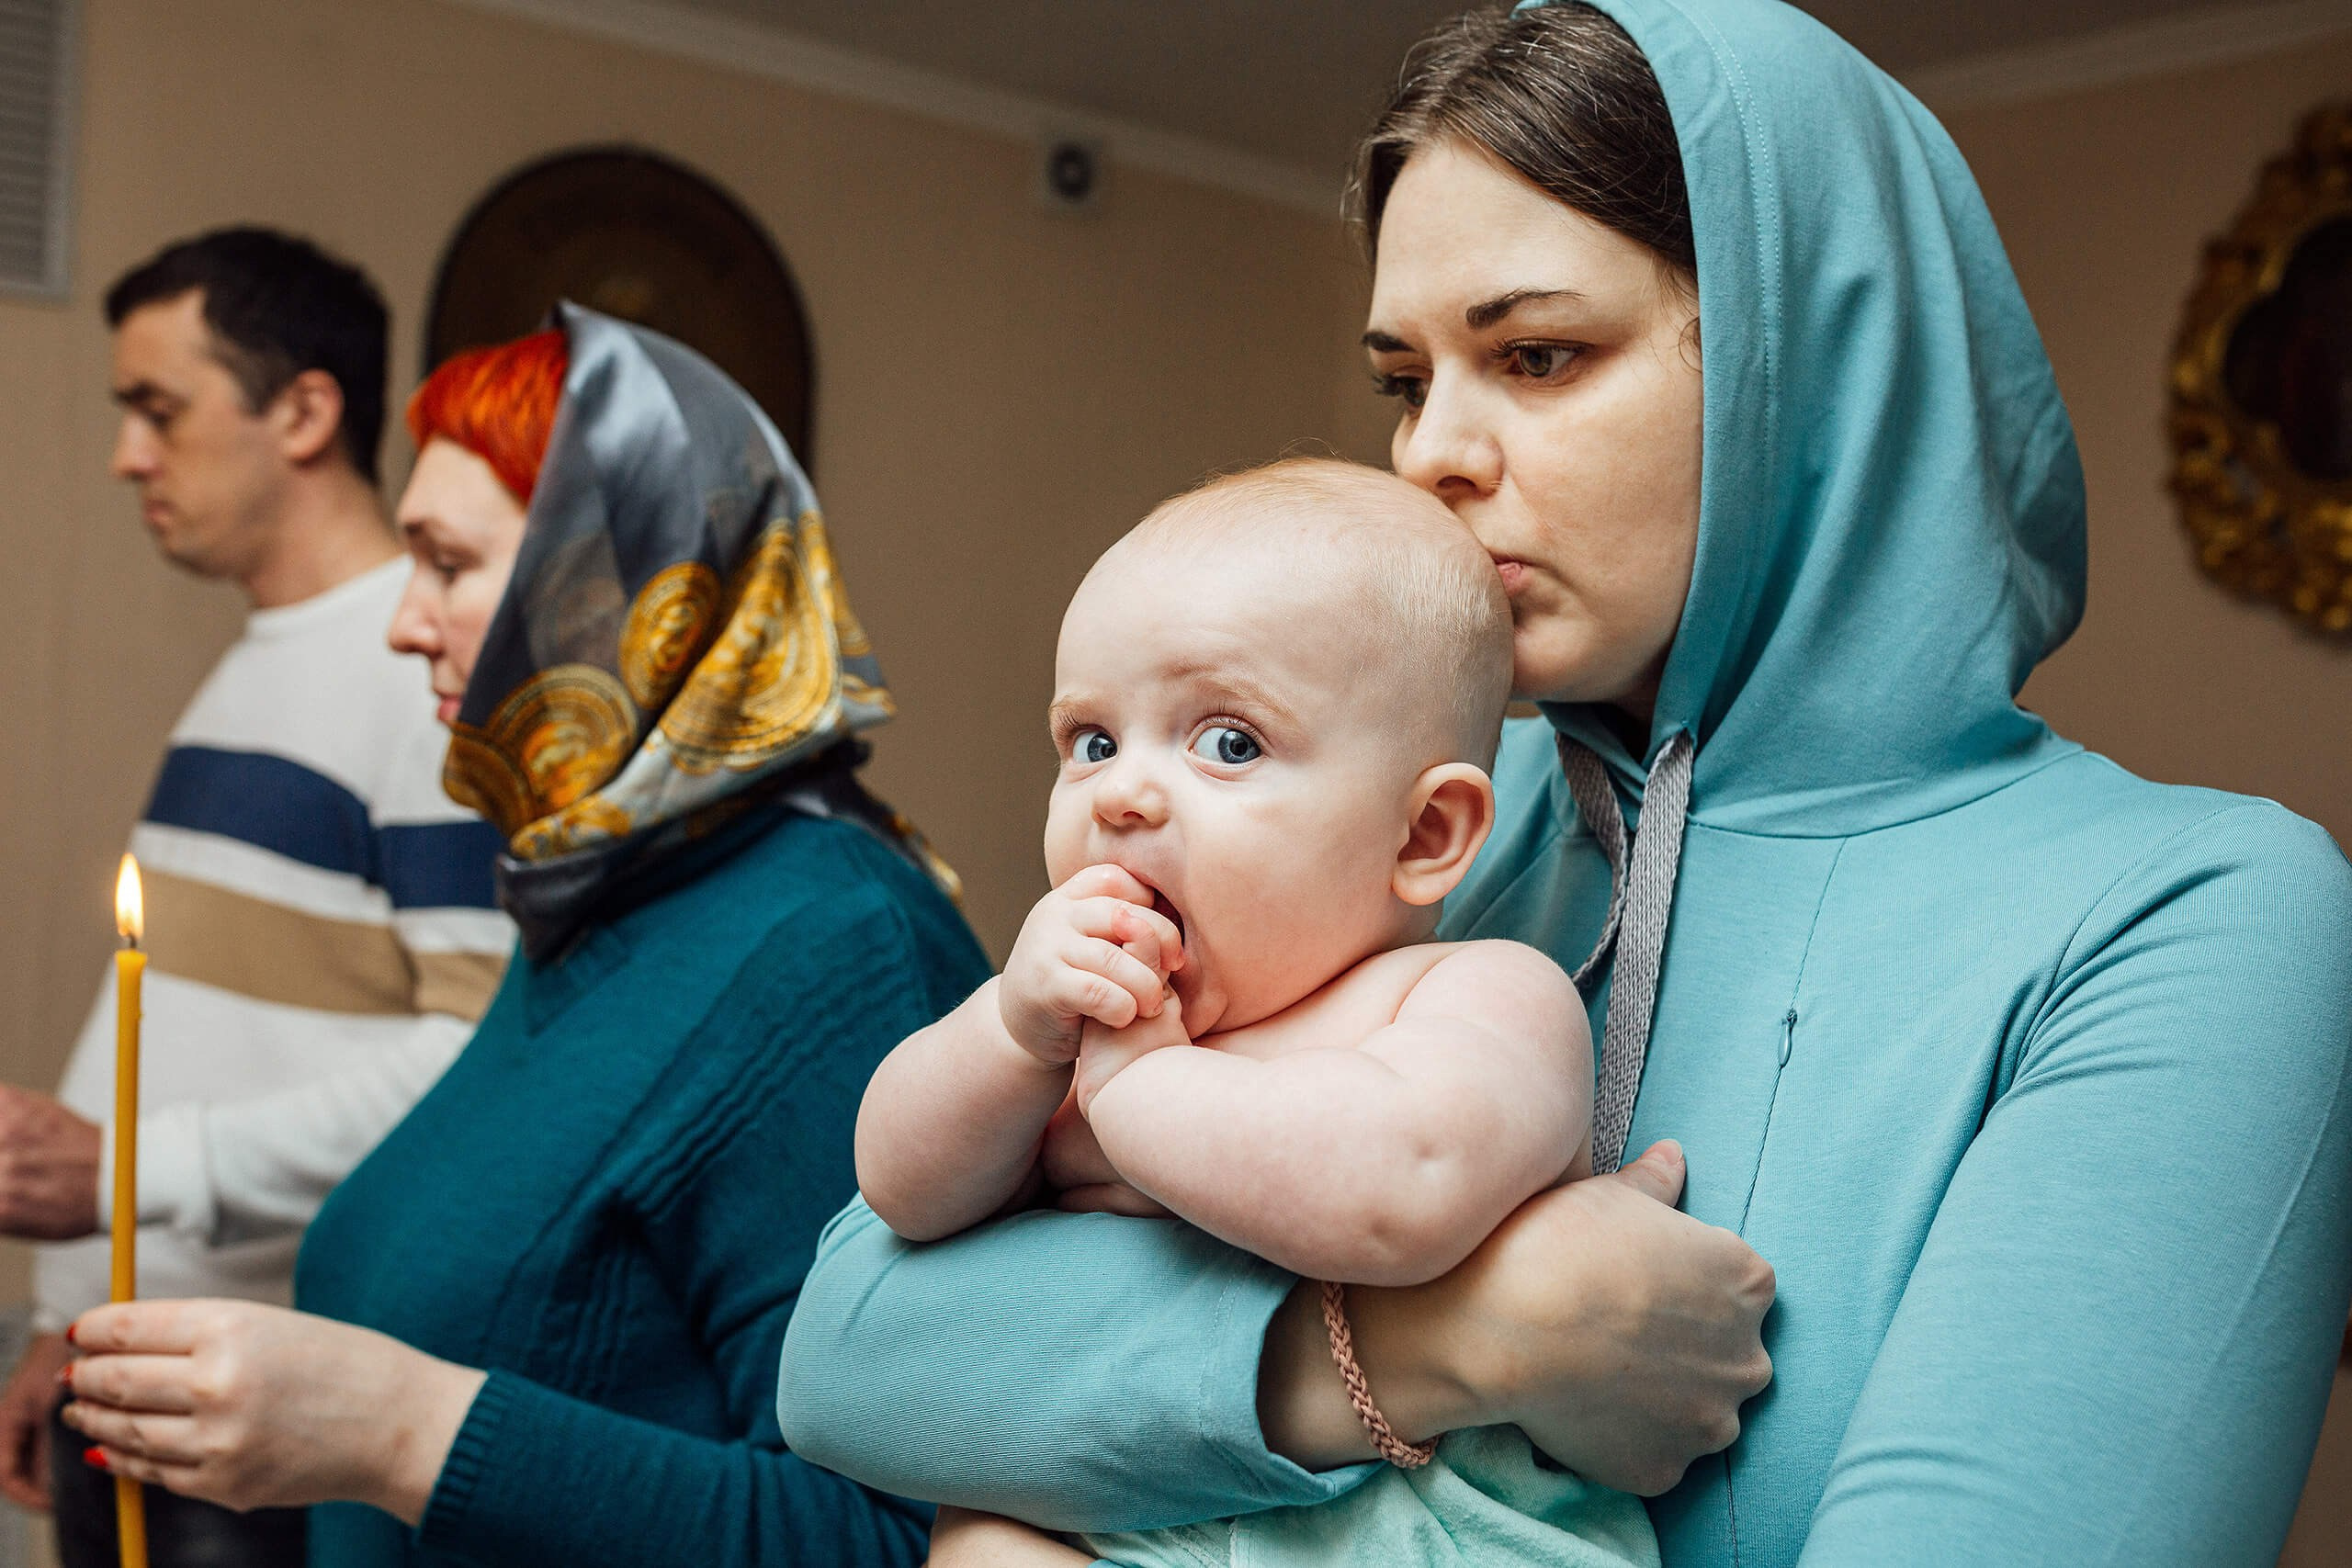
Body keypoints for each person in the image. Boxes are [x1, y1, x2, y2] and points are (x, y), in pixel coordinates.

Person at [775, 4, 2352, 1565]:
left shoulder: (2199, 924)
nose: (1434, 455)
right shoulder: (1384, 821)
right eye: (1406, 378)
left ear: (1816, 370)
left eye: (1539, 354)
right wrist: (1454, 1339)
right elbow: (852, 1347)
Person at [52, 306, 990, 1568]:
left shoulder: (836, 941)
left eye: (445, 562)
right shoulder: (591, 890)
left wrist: (397, 1426)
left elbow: (887, 1539)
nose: (403, 620)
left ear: (621, 591)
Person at [847, 456, 1658, 1568]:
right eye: (1090, 740)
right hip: (1141, 1507)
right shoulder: (1076, 1028)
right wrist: (1004, 1034)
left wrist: (1140, 1088)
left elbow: (1399, 1194)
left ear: (1422, 838)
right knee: (981, 1537)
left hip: (1413, 1534)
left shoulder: (1473, 994)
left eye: (1227, 743)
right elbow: (903, 1196)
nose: (1121, 793)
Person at [0, 227, 512, 1568]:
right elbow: (173, 1015)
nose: (128, 455)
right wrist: (74, 1308)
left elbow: (476, 1055)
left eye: (157, 409)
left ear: (302, 410)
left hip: (270, 1399)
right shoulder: (264, 660)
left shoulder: (424, 679)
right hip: (136, 1359)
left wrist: (128, 1180)